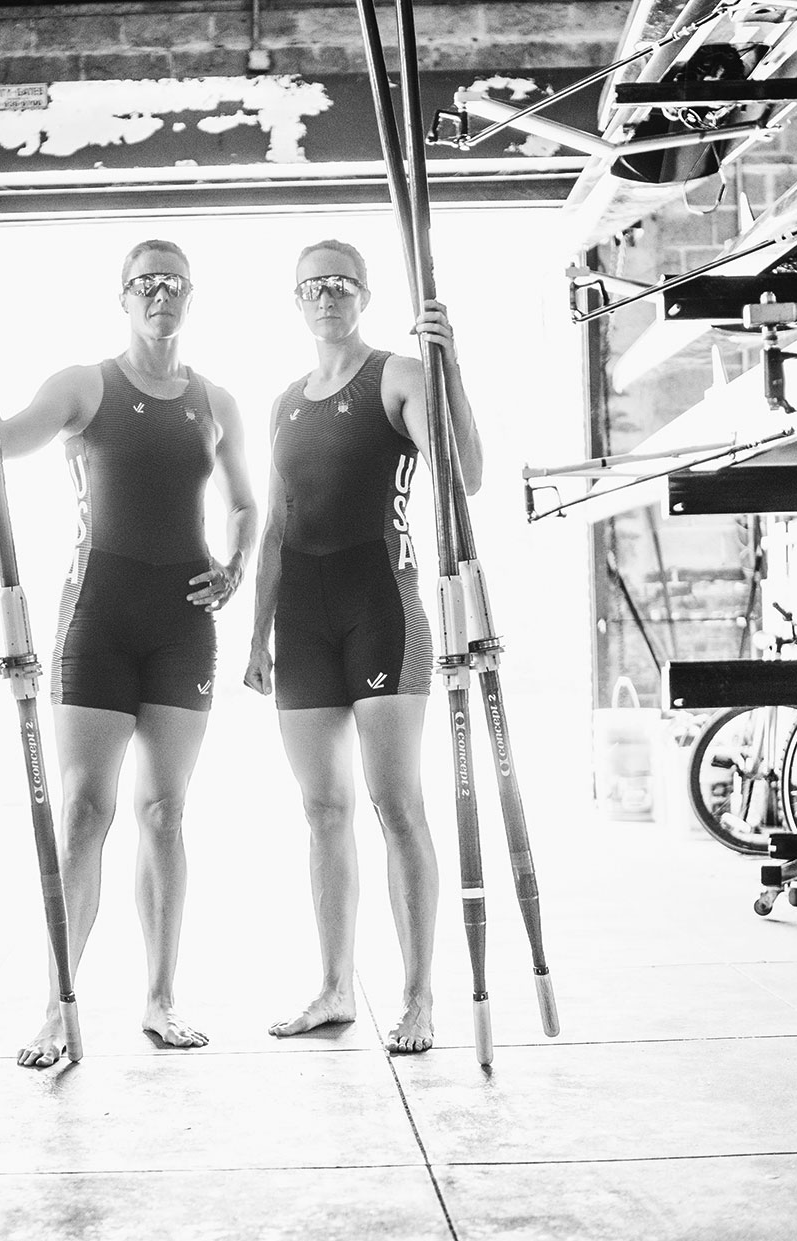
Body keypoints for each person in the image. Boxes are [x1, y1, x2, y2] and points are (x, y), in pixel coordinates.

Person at [0, 241, 259, 1068]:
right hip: (98, 619)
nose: (161, 295)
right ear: (123, 297)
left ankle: (160, 999)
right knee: (85, 813)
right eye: (145, 283)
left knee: (165, 814)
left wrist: (236, 568)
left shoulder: (215, 400)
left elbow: (245, 503)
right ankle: (59, 1005)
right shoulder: (85, 385)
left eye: (174, 283)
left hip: (184, 625)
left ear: (191, 296)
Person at [244, 239, 481, 1055]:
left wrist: (449, 370)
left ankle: (418, 997)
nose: (327, 295)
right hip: (301, 620)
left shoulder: (400, 375)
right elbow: (275, 526)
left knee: (396, 805)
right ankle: (336, 986)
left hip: (383, 607)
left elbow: (465, 474)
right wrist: (257, 633)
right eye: (313, 284)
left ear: (365, 294)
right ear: (296, 299)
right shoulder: (284, 403)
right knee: (323, 811)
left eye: (342, 282)